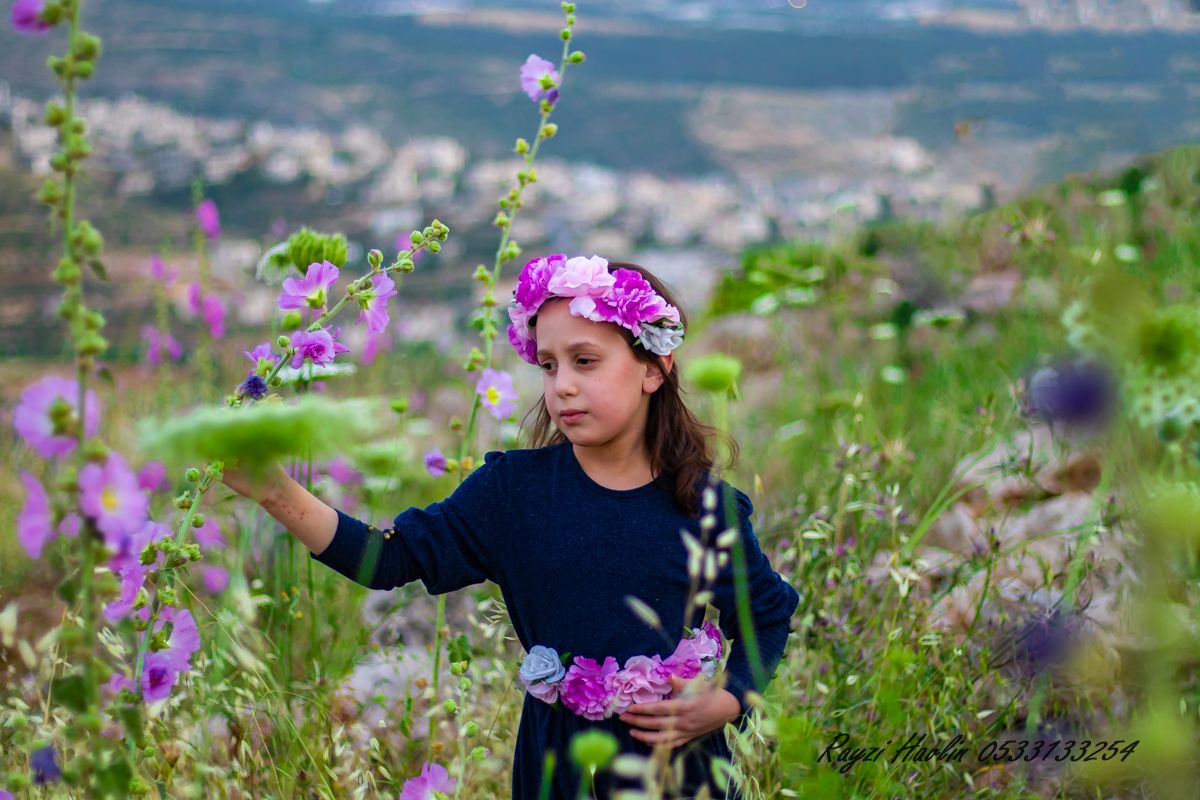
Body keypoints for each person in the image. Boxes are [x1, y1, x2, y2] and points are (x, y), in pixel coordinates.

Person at [222, 254, 800, 799]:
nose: (561, 386)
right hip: (554, 765)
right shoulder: (513, 493)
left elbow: (767, 612)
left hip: (680, 769)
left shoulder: (703, 507)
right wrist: (275, 491)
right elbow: (387, 560)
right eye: (548, 365)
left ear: (653, 366)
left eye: (586, 360)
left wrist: (727, 699)